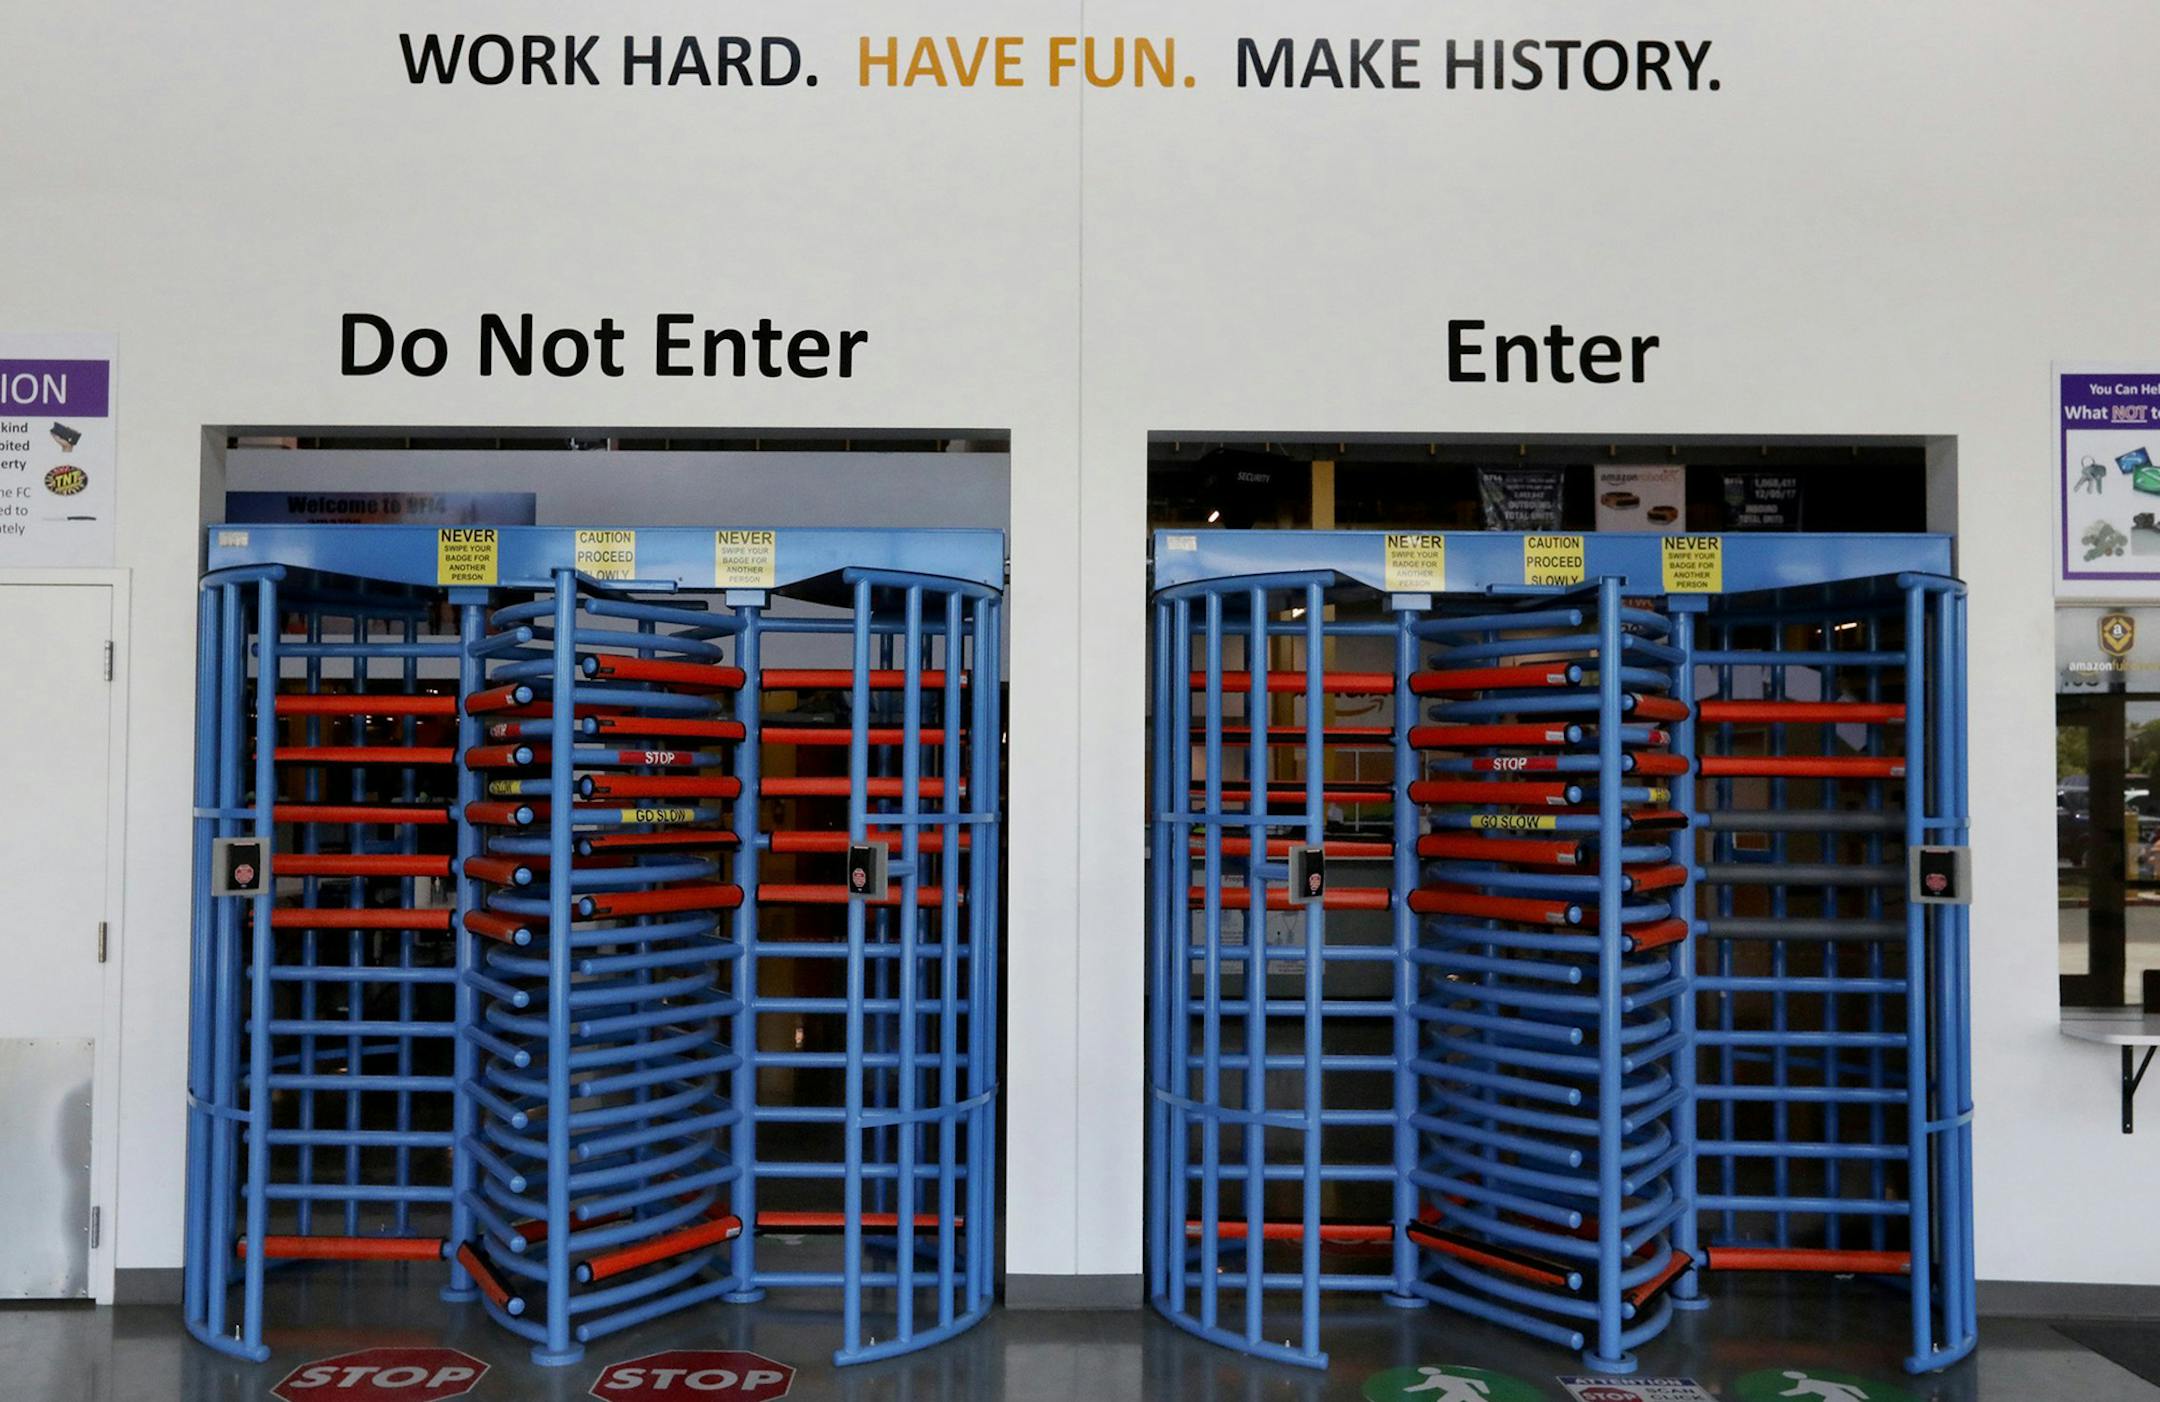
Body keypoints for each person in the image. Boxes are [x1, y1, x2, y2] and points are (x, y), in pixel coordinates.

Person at [1777, 1370, 1870, 1402]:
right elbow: (1852, 1387)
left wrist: (1783, 1394)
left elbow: (1801, 1391)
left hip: (1836, 1396)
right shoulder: (1809, 1382)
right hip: (1835, 1396)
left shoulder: (1807, 1383)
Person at [1401, 1368, 1490, 1400]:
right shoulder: (1438, 1377)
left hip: (1463, 1392)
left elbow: (1426, 1386)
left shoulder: (1436, 1378)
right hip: (1460, 1392)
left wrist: (1485, 1390)